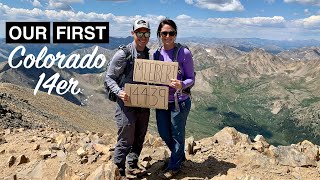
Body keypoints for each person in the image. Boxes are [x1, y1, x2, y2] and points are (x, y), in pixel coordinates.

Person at [105, 19, 151, 178]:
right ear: (133, 33)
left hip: (143, 102)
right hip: (126, 102)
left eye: (146, 33)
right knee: (126, 135)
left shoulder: (147, 53)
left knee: (140, 134)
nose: (143, 36)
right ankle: (118, 170)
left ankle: (132, 164)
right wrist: (119, 92)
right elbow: (109, 78)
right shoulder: (123, 54)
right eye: (139, 32)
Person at [153, 18, 195, 179]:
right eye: (164, 33)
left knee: (177, 134)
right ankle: (179, 156)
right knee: (164, 133)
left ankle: (174, 166)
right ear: (159, 34)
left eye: (171, 33)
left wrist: (182, 84)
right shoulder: (157, 53)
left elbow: (191, 78)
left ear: (175, 35)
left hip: (180, 101)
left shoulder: (183, 53)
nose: (168, 36)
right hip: (162, 100)